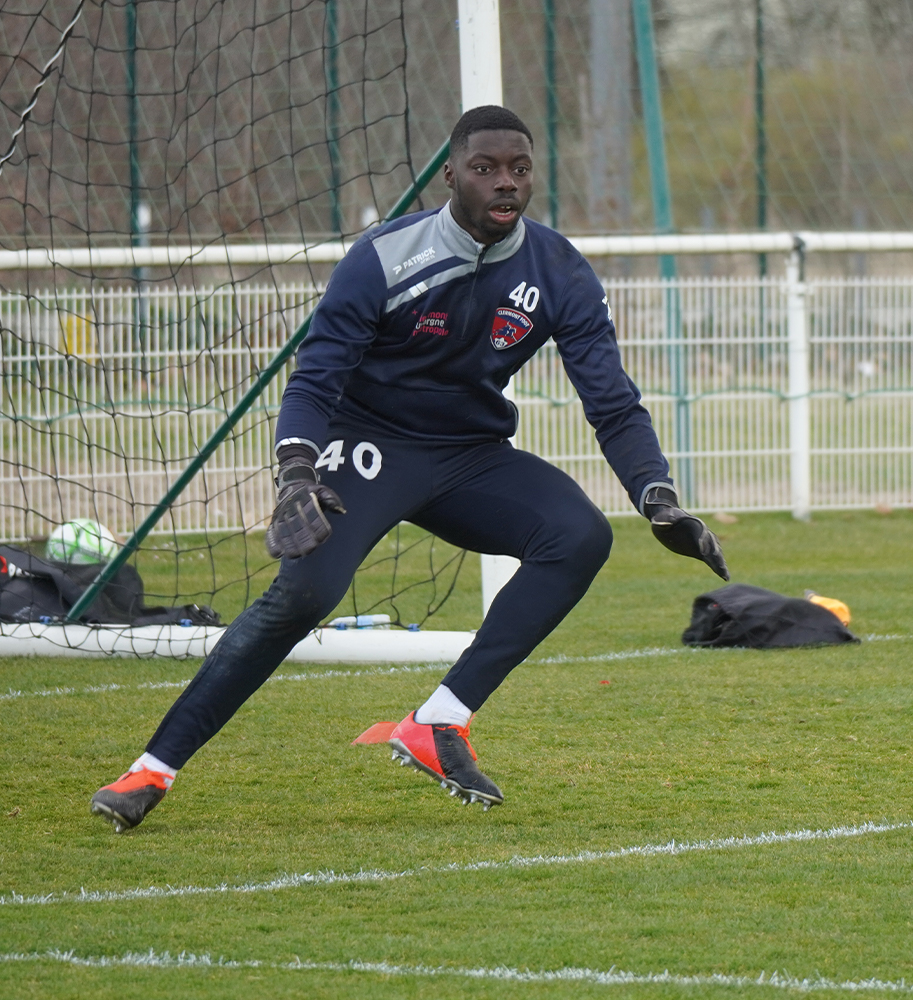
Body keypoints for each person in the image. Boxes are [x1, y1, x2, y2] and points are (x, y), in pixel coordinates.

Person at [89, 106, 728, 832]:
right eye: (485, 168)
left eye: (519, 169)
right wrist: (297, 473)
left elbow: (612, 403)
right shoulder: (384, 256)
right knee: (303, 598)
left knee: (579, 535)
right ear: (450, 175)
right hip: (365, 446)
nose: (505, 183)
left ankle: (439, 721)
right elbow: (314, 379)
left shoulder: (558, 269)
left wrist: (658, 498)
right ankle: (151, 771)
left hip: (469, 456)